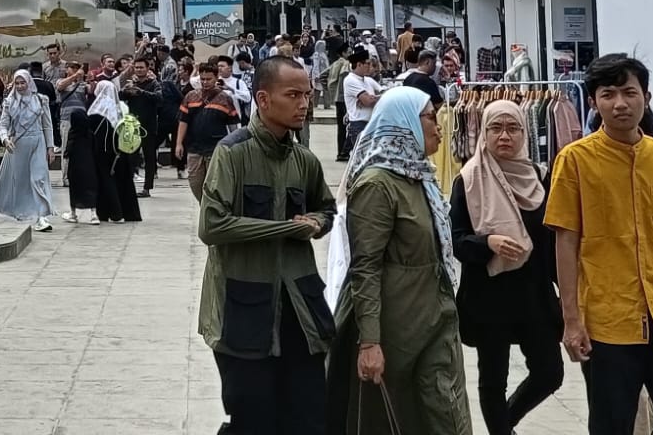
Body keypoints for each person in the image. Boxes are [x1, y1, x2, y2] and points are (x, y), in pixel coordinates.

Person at [546, 55, 653, 435]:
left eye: (629, 92)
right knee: (611, 425)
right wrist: (572, 321)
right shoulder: (574, 161)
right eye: (608, 94)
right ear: (593, 102)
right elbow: (566, 241)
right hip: (608, 320)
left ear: (646, 97)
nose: (620, 103)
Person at [198, 57, 334, 433]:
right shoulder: (232, 153)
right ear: (263, 99)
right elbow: (211, 225)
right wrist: (284, 229)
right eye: (293, 95)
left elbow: (326, 208)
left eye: (307, 95)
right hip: (242, 312)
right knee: (253, 420)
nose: (303, 104)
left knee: (310, 419)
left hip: (300, 310)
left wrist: (317, 222)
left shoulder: (304, 160)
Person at [327, 86, 472, 434]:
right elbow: (365, 266)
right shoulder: (377, 185)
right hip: (394, 325)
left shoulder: (419, 177)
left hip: (434, 315)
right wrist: (370, 342)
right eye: (430, 118)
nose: (439, 126)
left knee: (446, 411)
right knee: (392, 416)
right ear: (402, 122)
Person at [451, 99, 563, 435]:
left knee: (550, 373)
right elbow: (456, 241)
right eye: (496, 128)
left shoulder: (540, 179)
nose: (504, 136)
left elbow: (553, 242)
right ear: (484, 133)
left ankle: (506, 422)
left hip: (535, 295)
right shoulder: (468, 180)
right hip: (490, 296)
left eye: (513, 128)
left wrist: (569, 292)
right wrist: (488, 243)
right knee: (493, 380)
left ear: (524, 133)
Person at [0, 69, 56, 232]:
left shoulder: (41, 100)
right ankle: (22, 209)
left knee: (38, 178)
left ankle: (42, 216)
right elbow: (3, 125)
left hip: (38, 142)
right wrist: (5, 139)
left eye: (23, 82)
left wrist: (50, 147)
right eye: (17, 83)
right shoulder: (9, 102)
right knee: (20, 180)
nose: (20, 86)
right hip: (17, 145)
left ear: (29, 82)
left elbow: (47, 125)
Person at [76, 79, 142, 224]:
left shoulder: (97, 109)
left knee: (105, 180)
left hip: (102, 151)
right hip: (121, 150)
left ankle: (114, 213)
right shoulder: (122, 108)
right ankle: (129, 213)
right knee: (123, 180)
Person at [176, 62, 242, 202]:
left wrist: (235, 147)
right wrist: (179, 143)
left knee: (213, 184)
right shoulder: (190, 96)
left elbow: (233, 126)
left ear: (216, 77)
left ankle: (211, 208)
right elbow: (183, 121)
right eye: (202, 79)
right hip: (194, 148)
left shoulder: (225, 98)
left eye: (209, 79)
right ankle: (205, 206)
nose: (205, 82)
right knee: (195, 182)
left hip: (216, 149)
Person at [120, 56, 163, 196]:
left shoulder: (154, 83)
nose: (139, 70)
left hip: (149, 125)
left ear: (147, 68)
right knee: (130, 157)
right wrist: (126, 91)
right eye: (136, 67)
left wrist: (141, 92)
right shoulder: (131, 83)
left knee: (149, 157)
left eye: (141, 67)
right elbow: (120, 97)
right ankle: (128, 186)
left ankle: (147, 188)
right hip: (133, 124)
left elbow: (159, 98)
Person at [340, 48, 379, 151]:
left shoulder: (368, 80)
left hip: (371, 123)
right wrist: (372, 98)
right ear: (359, 64)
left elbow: (385, 92)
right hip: (359, 125)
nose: (370, 67)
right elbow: (368, 101)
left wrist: (375, 97)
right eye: (368, 64)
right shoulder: (350, 80)